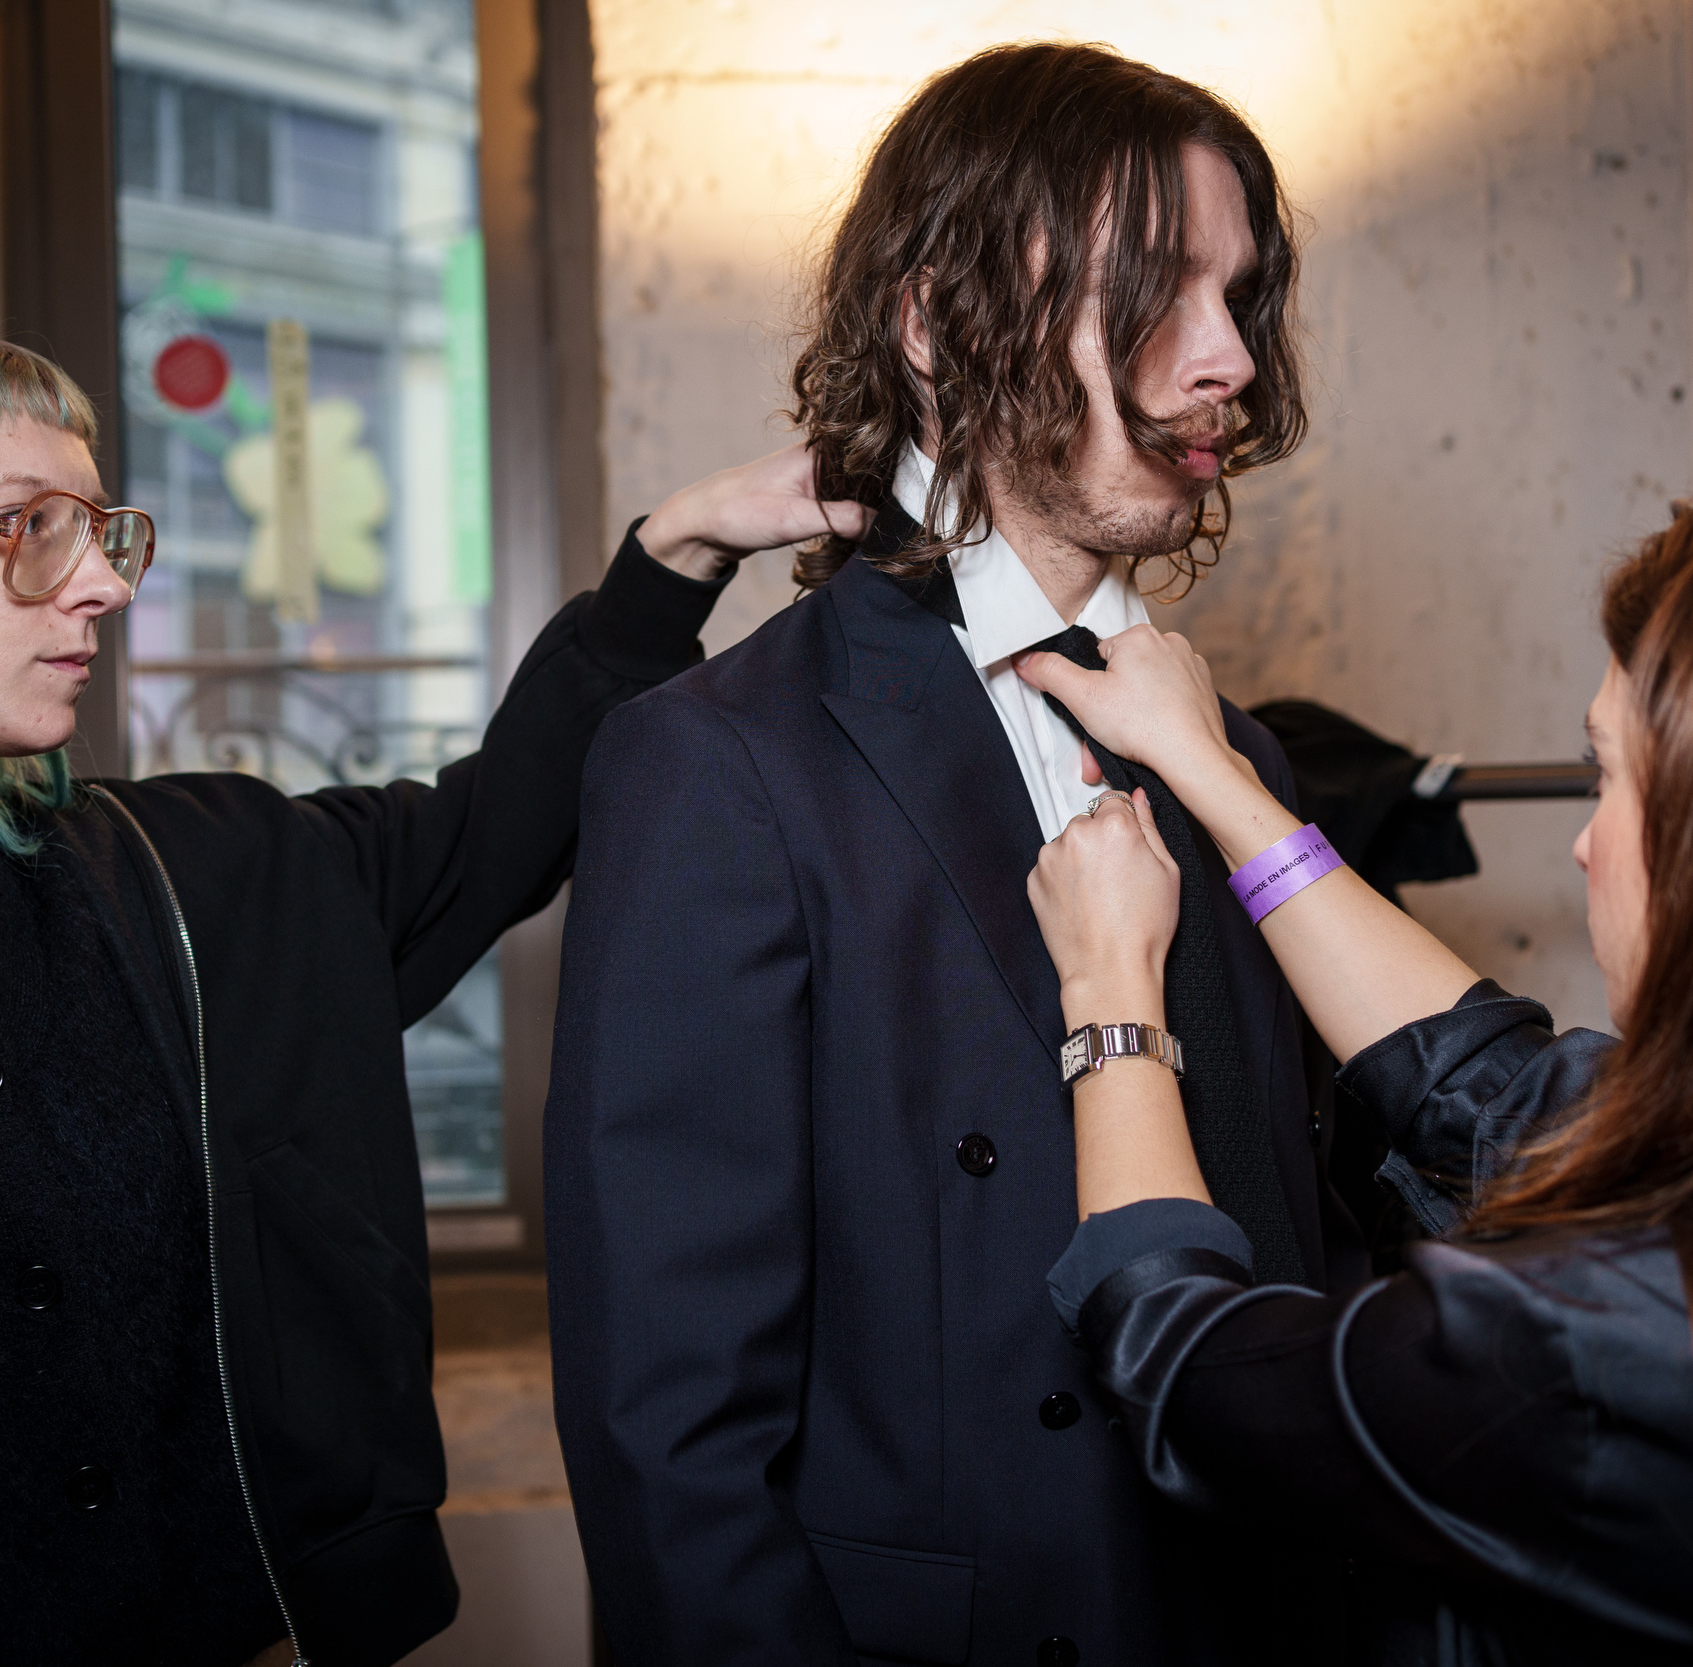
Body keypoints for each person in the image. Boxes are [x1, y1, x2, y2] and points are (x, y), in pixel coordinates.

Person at [0, 312, 863, 1665]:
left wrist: (675, 553)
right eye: (26, 527)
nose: (101, 585)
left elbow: (496, 832)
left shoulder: (184, 880)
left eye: (105, 531)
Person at [546, 43, 1362, 1663]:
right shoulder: (719, 763)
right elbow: (670, 1428)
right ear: (935, 324)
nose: (1228, 368)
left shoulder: (1236, 759)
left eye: (1240, 298)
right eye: (1157, 292)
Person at [1020, 452, 1693, 1663]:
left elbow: (1194, 1376)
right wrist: (1214, 777)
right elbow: (1479, 1077)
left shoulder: (1622, 1345)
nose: (1583, 843)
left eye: (1608, 776)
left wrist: (1110, 992)